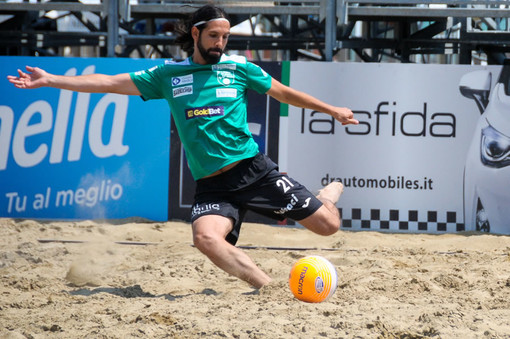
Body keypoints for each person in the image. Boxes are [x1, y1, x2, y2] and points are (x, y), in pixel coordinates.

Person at [8, 4, 358, 289]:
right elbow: (108, 82)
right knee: (205, 239)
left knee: (328, 226)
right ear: (196, 34)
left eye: (225, 36)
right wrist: (52, 79)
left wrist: (332, 110)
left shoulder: (238, 68)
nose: (221, 43)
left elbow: (284, 93)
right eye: (214, 36)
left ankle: (325, 196)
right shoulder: (168, 75)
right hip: (212, 183)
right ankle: (267, 286)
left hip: (253, 170)